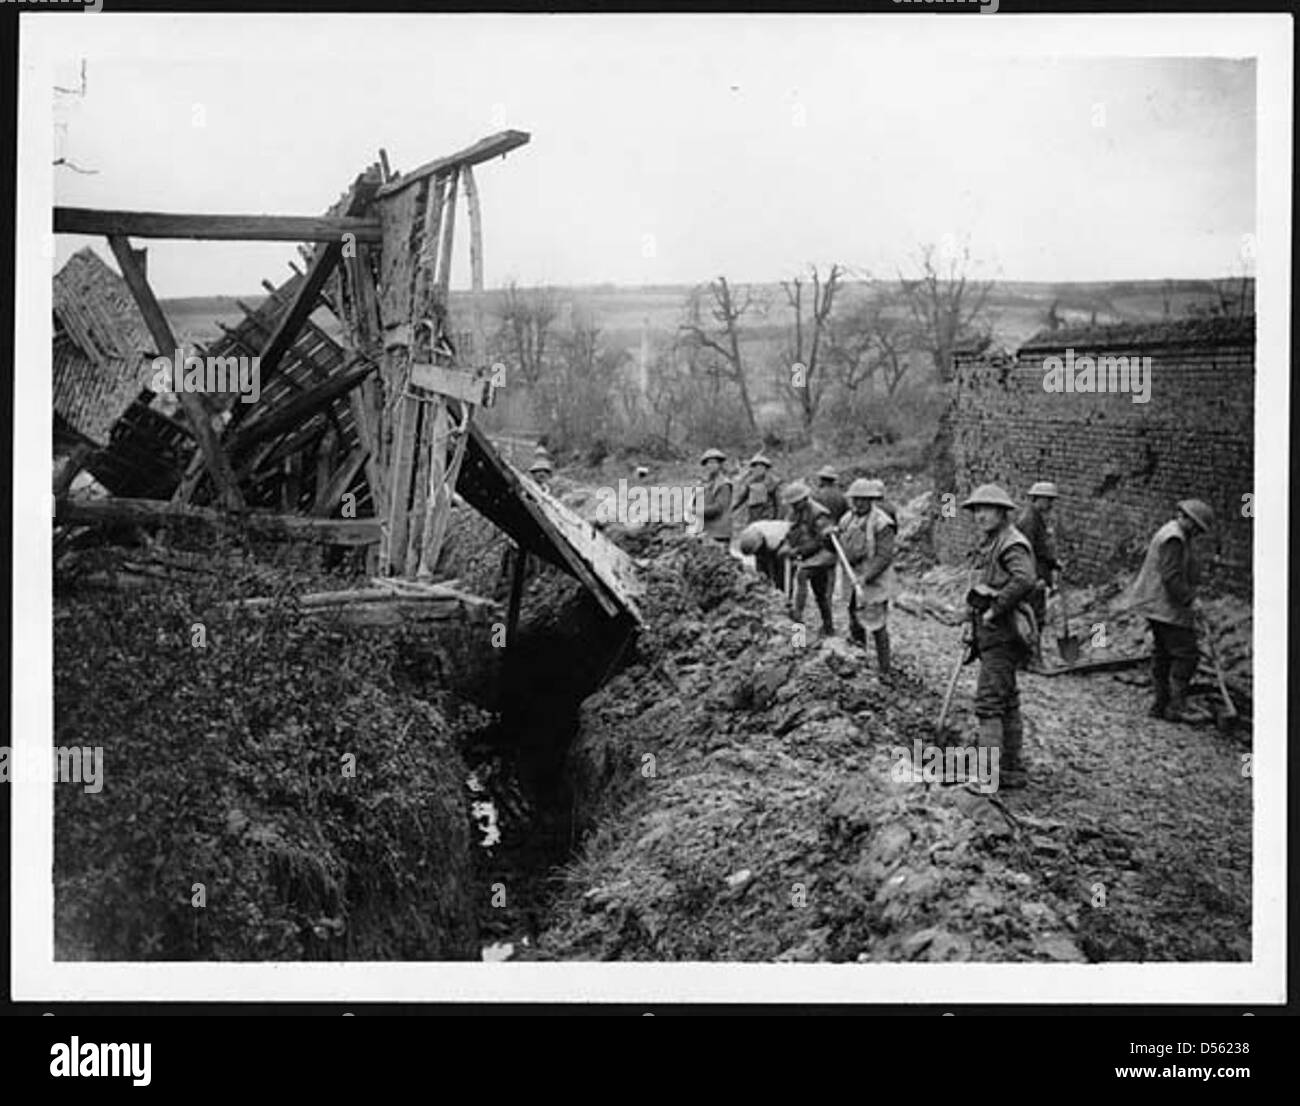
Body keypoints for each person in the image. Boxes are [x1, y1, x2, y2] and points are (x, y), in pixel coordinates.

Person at [962, 484, 1037, 791]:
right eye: (976, 510)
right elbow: (979, 586)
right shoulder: (990, 542)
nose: (980, 515)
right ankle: (1011, 768)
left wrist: (995, 608)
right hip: (990, 632)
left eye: (987, 509)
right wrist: (971, 622)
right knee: (1007, 699)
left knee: (989, 703)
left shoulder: (1012, 543)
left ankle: (986, 775)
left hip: (1003, 632)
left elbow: (1025, 579)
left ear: (1002, 512)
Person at [1128, 499, 1214, 723]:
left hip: (1157, 604)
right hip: (1164, 605)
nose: (1196, 533)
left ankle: (1161, 705)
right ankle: (1177, 707)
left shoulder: (1173, 533)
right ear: (1186, 519)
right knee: (1187, 654)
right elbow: (1171, 577)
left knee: (1164, 654)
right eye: (1196, 527)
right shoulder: (1174, 538)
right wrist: (1190, 600)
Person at [839, 478, 898, 674]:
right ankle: (860, 662)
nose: (858, 504)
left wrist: (867, 576)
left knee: (877, 625)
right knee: (855, 623)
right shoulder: (847, 519)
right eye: (855, 499)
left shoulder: (882, 523)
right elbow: (840, 547)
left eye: (862, 500)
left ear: (871, 500)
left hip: (874, 582)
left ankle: (884, 669)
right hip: (852, 579)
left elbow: (884, 556)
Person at [778, 481, 837, 638]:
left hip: (824, 554)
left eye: (796, 503)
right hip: (806, 555)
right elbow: (789, 531)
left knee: (804, 579)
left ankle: (815, 630)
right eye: (792, 504)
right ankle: (803, 636)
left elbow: (821, 541)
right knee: (819, 592)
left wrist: (797, 551)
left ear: (804, 499)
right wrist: (786, 544)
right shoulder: (794, 512)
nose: (793, 507)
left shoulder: (819, 514)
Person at [737, 518, 791, 589]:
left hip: (785, 537)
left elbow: (772, 555)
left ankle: (779, 591)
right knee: (762, 571)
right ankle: (764, 587)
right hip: (763, 537)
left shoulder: (773, 538)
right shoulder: (749, 532)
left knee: (778, 570)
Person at [699, 448, 733, 547]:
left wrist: (696, 511)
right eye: (708, 463)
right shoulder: (705, 484)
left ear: (720, 465)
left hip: (719, 532)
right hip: (707, 529)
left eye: (714, 463)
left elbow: (718, 508)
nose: (711, 466)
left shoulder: (724, 484)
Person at [734, 453, 781, 524]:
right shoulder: (750, 482)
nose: (758, 469)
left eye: (761, 467)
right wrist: (732, 508)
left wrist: (776, 518)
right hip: (753, 515)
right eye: (756, 467)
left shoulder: (773, 482)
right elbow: (743, 498)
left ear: (766, 469)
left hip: (767, 515)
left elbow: (777, 503)